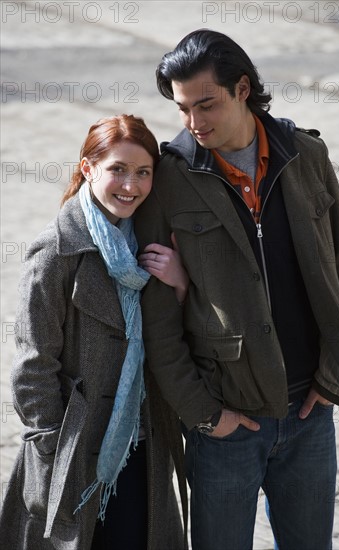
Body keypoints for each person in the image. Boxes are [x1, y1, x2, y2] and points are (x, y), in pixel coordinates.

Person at [134, 30, 339, 550]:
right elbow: (156, 315)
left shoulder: (305, 154)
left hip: (311, 412)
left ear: (243, 89)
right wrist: (204, 415)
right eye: (183, 108)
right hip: (225, 425)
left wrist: (335, 373)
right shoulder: (169, 178)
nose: (195, 122)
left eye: (206, 104)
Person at [0, 114, 189, 550]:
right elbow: (33, 368)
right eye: (118, 169)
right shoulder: (55, 252)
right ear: (88, 168)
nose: (131, 185)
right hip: (76, 455)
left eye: (143, 173)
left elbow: (174, 340)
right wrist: (52, 449)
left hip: (142, 444)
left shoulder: (151, 242)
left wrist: (180, 286)